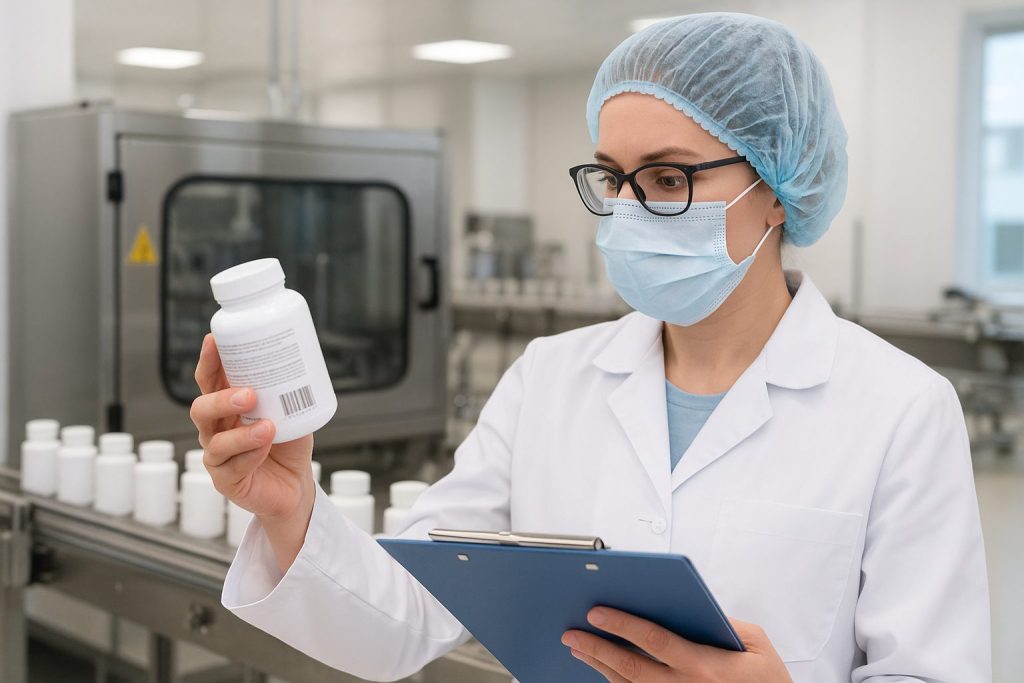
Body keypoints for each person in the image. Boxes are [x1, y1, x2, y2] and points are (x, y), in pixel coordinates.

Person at [190, 12, 990, 683]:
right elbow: (403, 615)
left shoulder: (898, 408)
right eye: (613, 179)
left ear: (778, 188)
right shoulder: (551, 378)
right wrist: (293, 510)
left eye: (669, 179)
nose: (630, 211)